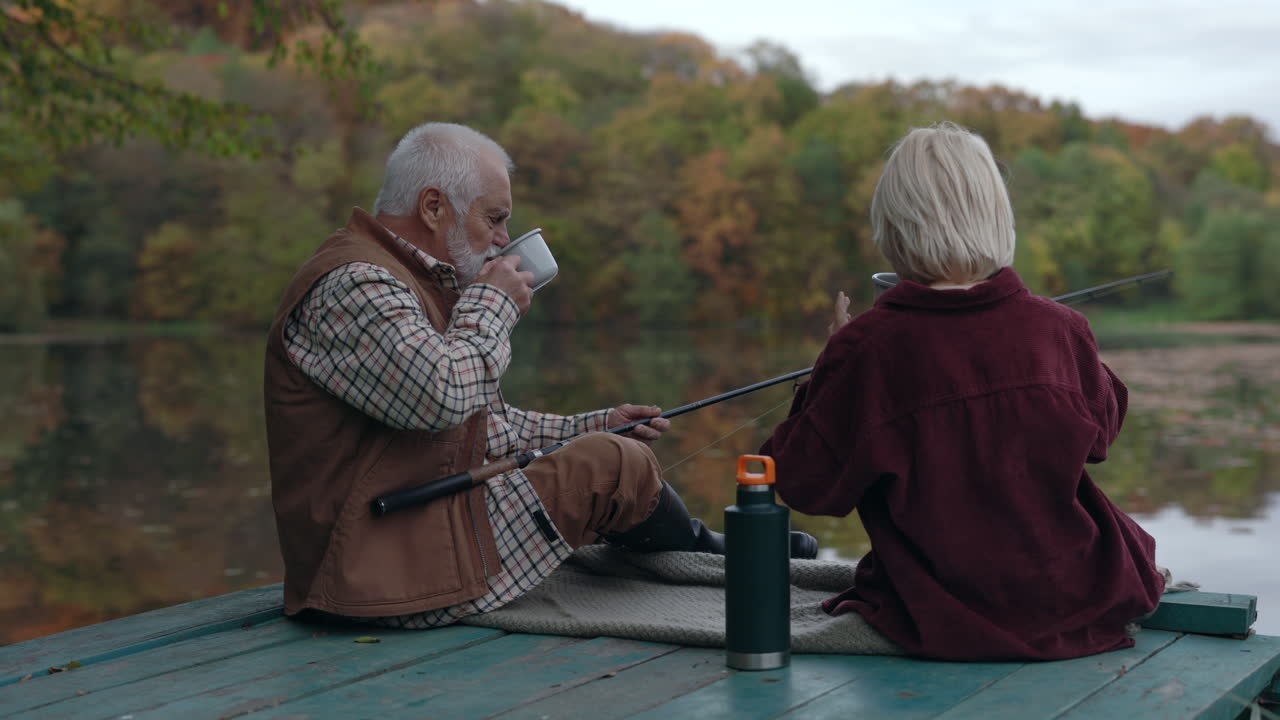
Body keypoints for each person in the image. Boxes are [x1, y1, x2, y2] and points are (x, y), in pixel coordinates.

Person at [264, 122, 818, 629]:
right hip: (370, 571)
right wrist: (491, 305)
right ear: (434, 207)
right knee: (612, 466)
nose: (504, 239)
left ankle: (702, 554)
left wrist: (595, 423)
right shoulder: (355, 284)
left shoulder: (415, 283)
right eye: (495, 218)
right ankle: (712, 557)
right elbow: (442, 397)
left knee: (609, 450)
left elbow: (477, 430)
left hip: (404, 540)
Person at [760, 122, 1165, 661]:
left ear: (893, 227)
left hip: (939, 614)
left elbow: (801, 484)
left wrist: (827, 371)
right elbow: (1102, 436)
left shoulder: (866, 348)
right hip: (1081, 597)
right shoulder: (1062, 327)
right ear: (998, 218)